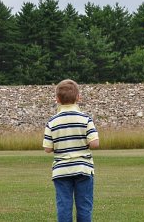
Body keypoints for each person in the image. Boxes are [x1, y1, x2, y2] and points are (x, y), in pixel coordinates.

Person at [43, 79, 99, 222]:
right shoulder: (86, 119)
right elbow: (94, 143)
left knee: (64, 207)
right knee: (84, 207)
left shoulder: (52, 122)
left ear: (57, 99)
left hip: (61, 170)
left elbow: (48, 148)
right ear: (78, 97)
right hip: (83, 168)